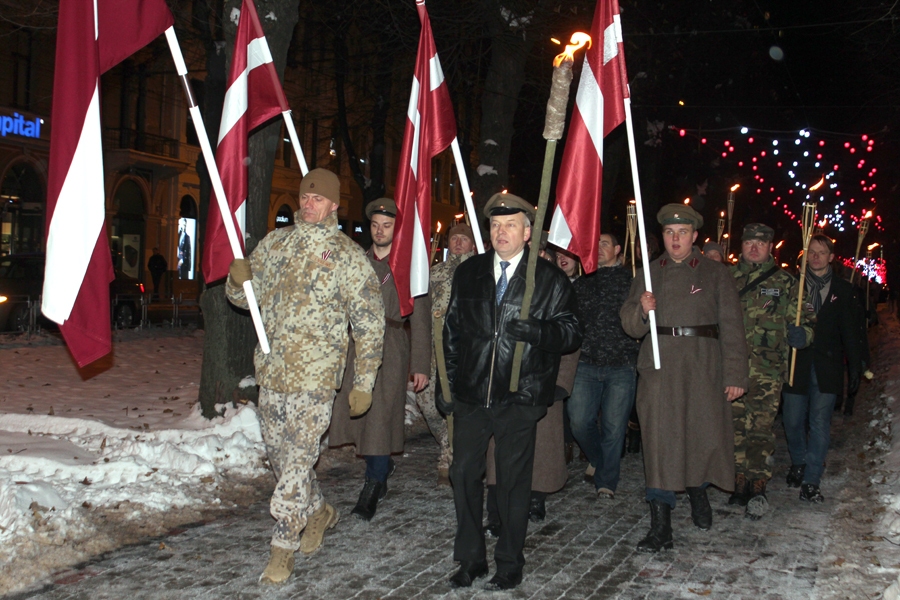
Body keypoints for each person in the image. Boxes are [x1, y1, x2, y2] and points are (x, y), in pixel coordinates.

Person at [226, 168, 385, 585]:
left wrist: (363, 382)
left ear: (333, 205)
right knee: (283, 461)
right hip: (273, 372)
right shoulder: (275, 244)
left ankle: (283, 545)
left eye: (318, 199)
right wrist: (235, 281)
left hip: (315, 378)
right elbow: (245, 300)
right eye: (305, 197)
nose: (308, 204)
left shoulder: (346, 255)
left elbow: (369, 323)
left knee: (298, 461)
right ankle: (318, 511)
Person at [438, 192, 581, 590]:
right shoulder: (470, 273)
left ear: (528, 231)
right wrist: (447, 384)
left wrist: (537, 331)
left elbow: (571, 331)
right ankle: (470, 558)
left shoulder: (548, 279)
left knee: (513, 483)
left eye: (511, 225)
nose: (502, 232)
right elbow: (451, 332)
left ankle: (508, 560)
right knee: (464, 473)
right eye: (496, 226)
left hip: (519, 395)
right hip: (472, 393)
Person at [620, 203, 748, 553]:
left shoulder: (714, 273)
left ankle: (698, 491)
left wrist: (735, 373)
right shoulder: (648, 272)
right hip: (659, 369)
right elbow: (629, 326)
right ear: (662, 236)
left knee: (699, 437)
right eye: (668, 233)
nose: (675, 239)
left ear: (694, 236)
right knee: (660, 444)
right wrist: (641, 311)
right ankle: (660, 526)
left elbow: (733, 327)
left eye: (682, 233)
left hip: (702, 366)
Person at [329, 198, 431, 521]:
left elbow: (422, 316)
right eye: (375, 225)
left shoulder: (407, 265)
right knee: (357, 413)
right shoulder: (358, 260)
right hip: (358, 344)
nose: (380, 231)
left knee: (380, 414)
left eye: (387, 226)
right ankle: (382, 463)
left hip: (391, 343)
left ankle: (374, 484)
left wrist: (420, 364)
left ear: (396, 229)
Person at [731, 223, 815, 520]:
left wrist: (802, 335)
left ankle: (758, 483)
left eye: (761, 243)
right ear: (741, 245)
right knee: (735, 426)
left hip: (768, 369)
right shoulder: (726, 279)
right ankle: (738, 480)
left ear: (770, 247)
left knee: (761, 429)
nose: (754, 247)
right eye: (749, 241)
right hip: (733, 368)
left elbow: (806, 318)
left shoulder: (787, 282)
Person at [782, 235, 862, 502]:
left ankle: (811, 480)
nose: (815, 256)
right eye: (811, 252)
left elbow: (851, 332)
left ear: (831, 257)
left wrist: (857, 365)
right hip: (797, 363)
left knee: (819, 422)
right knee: (792, 420)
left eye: (821, 252)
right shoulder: (793, 286)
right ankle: (800, 460)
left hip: (827, 366)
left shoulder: (844, 290)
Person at [568, 233, 639, 499]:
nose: (597, 249)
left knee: (614, 427)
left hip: (621, 365)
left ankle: (606, 482)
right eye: (594, 244)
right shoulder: (582, 283)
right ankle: (599, 459)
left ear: (618, 249)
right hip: (586, 363)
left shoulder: (630, 282)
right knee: (579, 421)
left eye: (604, 244)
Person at [417, 222, 476, 486]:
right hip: (435, 351)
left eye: (464, 239)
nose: (459, 243)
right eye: (455, 239)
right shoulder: (435, 273)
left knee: (457, 406)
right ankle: (446, 441)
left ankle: (448, 457)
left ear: (472, 244)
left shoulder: (479, 273)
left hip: (465, 353)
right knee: (427, 403)